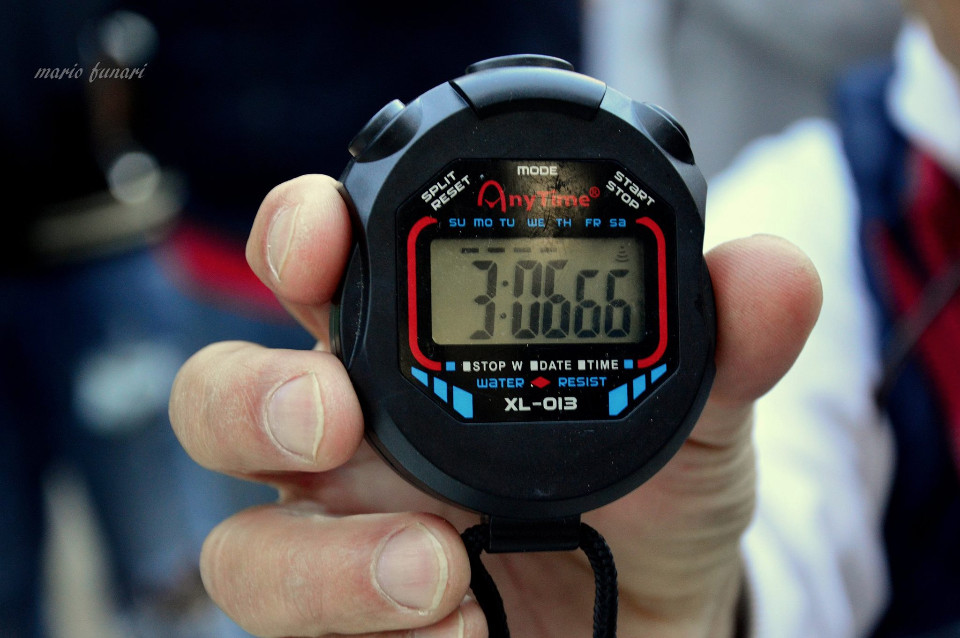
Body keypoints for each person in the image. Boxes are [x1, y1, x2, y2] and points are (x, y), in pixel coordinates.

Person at [584, 0, 903, 176]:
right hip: (707, 169)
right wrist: (646, 163)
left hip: (843, 172)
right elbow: (634, 44)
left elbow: (854, 26)